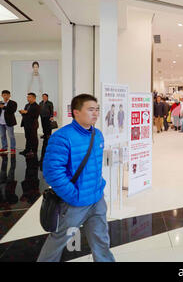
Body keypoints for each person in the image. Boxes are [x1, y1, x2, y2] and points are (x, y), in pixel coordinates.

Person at [37, 94, 115, 262]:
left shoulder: (98, 134)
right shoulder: (62, 137)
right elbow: (52, 172)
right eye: (90, 109)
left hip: (96, 199)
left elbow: (95, 166)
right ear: (76, 112)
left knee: (101, 240)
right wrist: (73, 195)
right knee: (58, 241)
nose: (95, 113)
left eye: (97, 110)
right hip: (74, 203)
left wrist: (99, 187)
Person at [19, 93, 40, 157]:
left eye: (30, 97)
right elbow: (25, 115)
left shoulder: (37, 106)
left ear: (34, 98)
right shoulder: (27, 105)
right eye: (27, 97)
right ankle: (27, 150)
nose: (28, 99)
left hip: (33, 124)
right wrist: (22, 112)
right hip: (26, 124)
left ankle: (34, 151)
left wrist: (26, 112)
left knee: (33, 138)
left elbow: (35, 116)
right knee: (27, 137)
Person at [0, 90, 17, 155]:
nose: (5, 96)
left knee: (11, 136)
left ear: (9, 96)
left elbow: (12, 110)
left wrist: (3, 107)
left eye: (7, 95)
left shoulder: (13, 103)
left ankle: (13, 148)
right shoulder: (0, 102)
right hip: (1, 122)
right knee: (2, 136)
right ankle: (4, 147)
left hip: (9, 122)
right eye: (4, 95)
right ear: (2, 95)